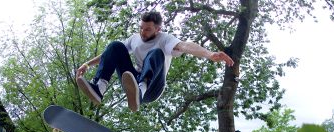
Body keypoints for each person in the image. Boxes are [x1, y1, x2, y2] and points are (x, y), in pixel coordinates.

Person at [75, 10, 234, 112]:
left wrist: (209, 54)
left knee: (156, 53)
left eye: (148, 29)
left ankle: (140, 91)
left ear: (158, 29)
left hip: (153, 88)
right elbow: (109, 55)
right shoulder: (135, 38)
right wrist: (87, 64)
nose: (143, 33)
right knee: (115, 46)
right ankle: (99, 89)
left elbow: (185, 45)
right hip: (133, 82)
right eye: (141, 28)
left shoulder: (166, 39)